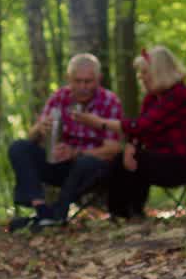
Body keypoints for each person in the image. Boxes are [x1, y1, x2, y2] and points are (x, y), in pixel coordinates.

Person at [72, 46, 186, 218]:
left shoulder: (181, 96)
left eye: (145, 72)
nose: (141, 77)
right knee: (124, 159)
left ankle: (128, 213)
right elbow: (140, 132)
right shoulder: (152, 98)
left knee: (138, 160)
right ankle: (123, 213)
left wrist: (100, 123)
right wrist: (132, 146)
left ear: (159, 72)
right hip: (164, 158)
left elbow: (144, 125)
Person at [7, 53, 122, 231]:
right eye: (78, 81)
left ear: (99, 79)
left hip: (91, 171)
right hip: (59, 165)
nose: (83, 87)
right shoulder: (59, 98)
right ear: (69, 79)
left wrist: (76, 153)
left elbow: (113, 149)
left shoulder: (110, 101)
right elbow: (32, 138)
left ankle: (59, 214)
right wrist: (39, 129)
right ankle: (41, 210)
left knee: (86, 163)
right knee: (19, 147)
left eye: (88, 81)